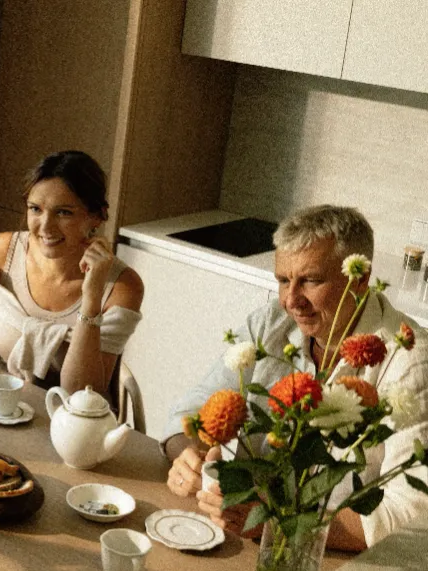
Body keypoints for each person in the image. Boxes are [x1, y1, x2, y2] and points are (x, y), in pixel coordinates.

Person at [163, 206, 428, 552]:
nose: (291, 301)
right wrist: (190, 457)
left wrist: (278, 523)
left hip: (331, 561)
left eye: (311, 280)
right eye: (283, 280)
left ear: (360, 279)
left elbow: (411, 515)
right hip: (243, 539)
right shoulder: (270, 322)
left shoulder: (409, 359)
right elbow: (190, 410)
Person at [0, 149, 143, 403]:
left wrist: (91, 296)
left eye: (64, 212)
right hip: (7, 405)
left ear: (96, 217)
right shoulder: (3, 253)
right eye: (35, 209)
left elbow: (79, 392)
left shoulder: (122, 286)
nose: (45, 227)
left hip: (74, 419)